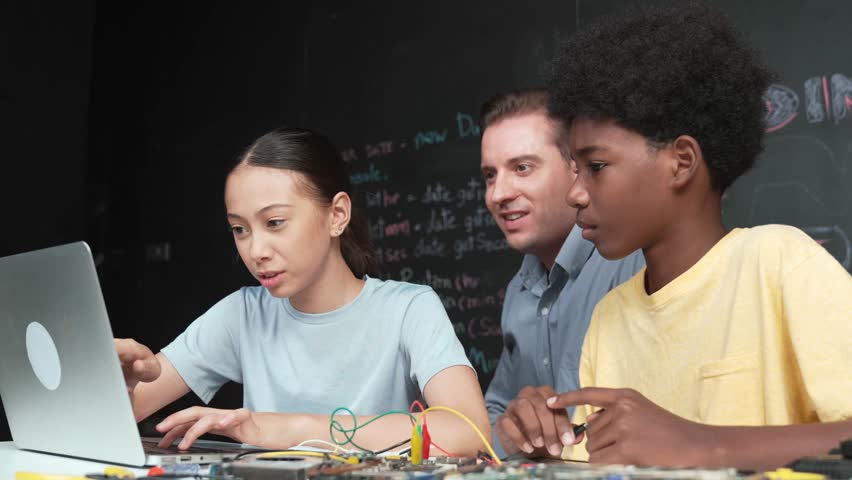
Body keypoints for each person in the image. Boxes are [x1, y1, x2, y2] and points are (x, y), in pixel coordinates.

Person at [543, 2, 852, 470]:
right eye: (574, 170)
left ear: (681, 161)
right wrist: (546, 447)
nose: (574, 194)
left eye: (596, 166)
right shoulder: (608, 320)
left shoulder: (778, 262)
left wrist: (700, 444)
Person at [115, 127, 490, 454]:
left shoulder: (409, 308)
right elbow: (116, 413)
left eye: (275, 222)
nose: (256, 250)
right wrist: (116, 382)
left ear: (337, 215)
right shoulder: (242, 315)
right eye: (240, 229)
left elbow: (468, 431)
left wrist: (282, 429)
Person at [478, 89, 644, 459]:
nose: (498, 193)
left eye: (522, 167)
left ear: (576, 169)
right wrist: (515, 432)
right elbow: (494, 417)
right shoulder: (519, 292)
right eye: (490, 175)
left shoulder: (632, 264)